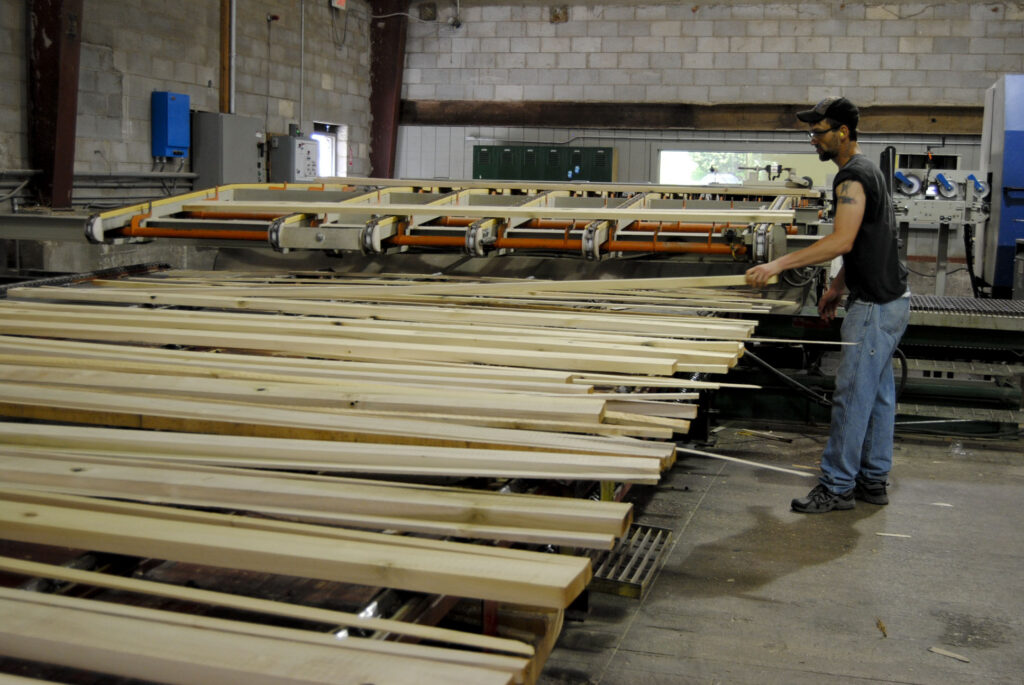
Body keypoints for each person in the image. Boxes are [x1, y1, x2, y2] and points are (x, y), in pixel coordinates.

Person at [745, 96, 910, 514]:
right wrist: (837, 285)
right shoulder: (869, 169)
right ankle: (873, 479)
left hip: (874, 308)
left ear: (844, 132)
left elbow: (843, 241)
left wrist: (778, 263)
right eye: (811, 133)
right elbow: (869, 242)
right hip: (891, 301)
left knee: (853, 396)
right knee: (876, 397)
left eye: (819, 133)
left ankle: (837, 486)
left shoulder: (850, 178)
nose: (813, 140)